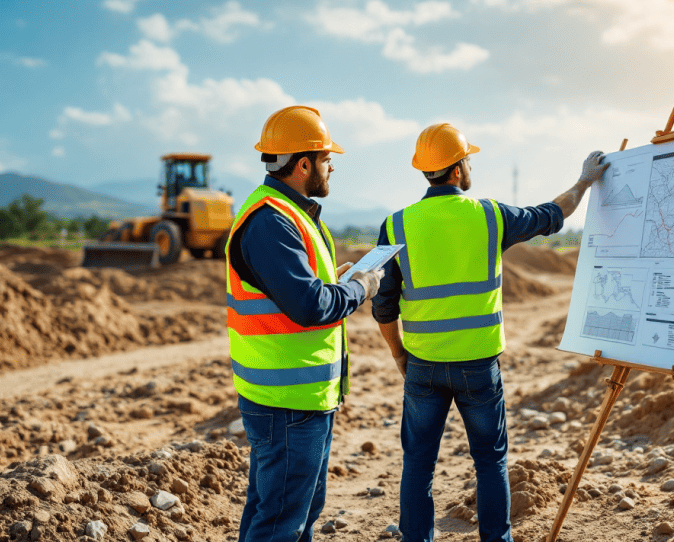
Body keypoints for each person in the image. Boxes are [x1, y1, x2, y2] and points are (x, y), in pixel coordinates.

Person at [372, 123, 609, 542]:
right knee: (490, 463)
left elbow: (383, 305)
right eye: (468, 160)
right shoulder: (490, 216)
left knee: (418, 466)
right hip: (479, 368)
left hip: (423, 366)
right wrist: (586, 180)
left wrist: (399, 355)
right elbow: (555, 214)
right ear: (459, 169)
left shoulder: (396, 225)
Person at [226, 105, 384, 542]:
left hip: (297, 399)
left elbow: (294, 292)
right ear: (303, 164)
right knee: (281, 523)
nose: (331, 166)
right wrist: (362, 287)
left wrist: (337, 281)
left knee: (283, 511)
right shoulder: (271, 222)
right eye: (326, 159)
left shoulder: (285, 214)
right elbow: (309, 306)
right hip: (288, 402)